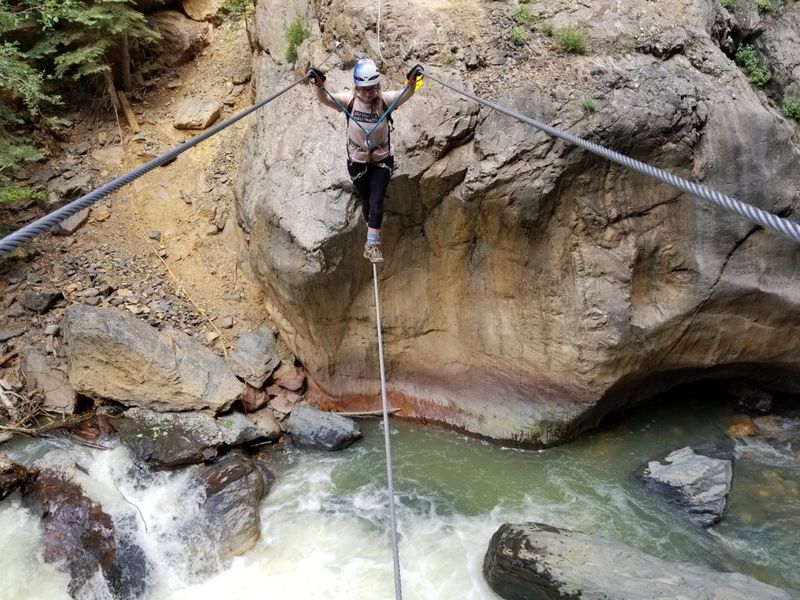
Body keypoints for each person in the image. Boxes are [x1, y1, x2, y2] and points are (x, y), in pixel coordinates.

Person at [306, 59, 424, 263]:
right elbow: (325, 98)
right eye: (363, 89)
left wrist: (412, 81)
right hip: (357, 158)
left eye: (371, 89)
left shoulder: (385, 100)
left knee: (377, 199)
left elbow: (406, 93)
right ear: (356, 87)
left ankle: (371, 245)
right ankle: (371, 229)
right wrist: (318, 84)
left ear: (377, 86)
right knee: (367, 200)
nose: (367, 94)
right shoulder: (350, 101)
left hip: (381, 158)